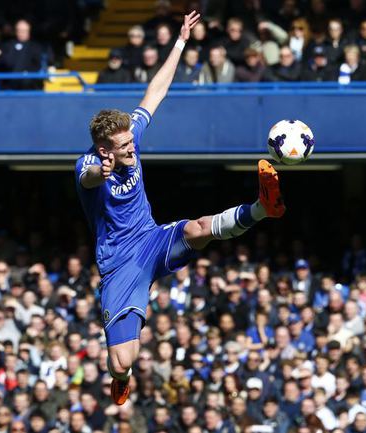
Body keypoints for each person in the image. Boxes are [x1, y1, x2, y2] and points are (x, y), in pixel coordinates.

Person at [75, 10, 286, 406]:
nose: (132, 148)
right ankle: (121, 378)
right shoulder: (89, 165)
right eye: (124, 147)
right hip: (119, 265)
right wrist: (99, 174)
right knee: (122, 360)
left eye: (131, 142)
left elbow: (155, 92)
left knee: (197, 229)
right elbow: (87, 179)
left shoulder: (129, 137)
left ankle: (263, 207)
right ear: (104, 150)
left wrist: (180, 42)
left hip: (150, 238)